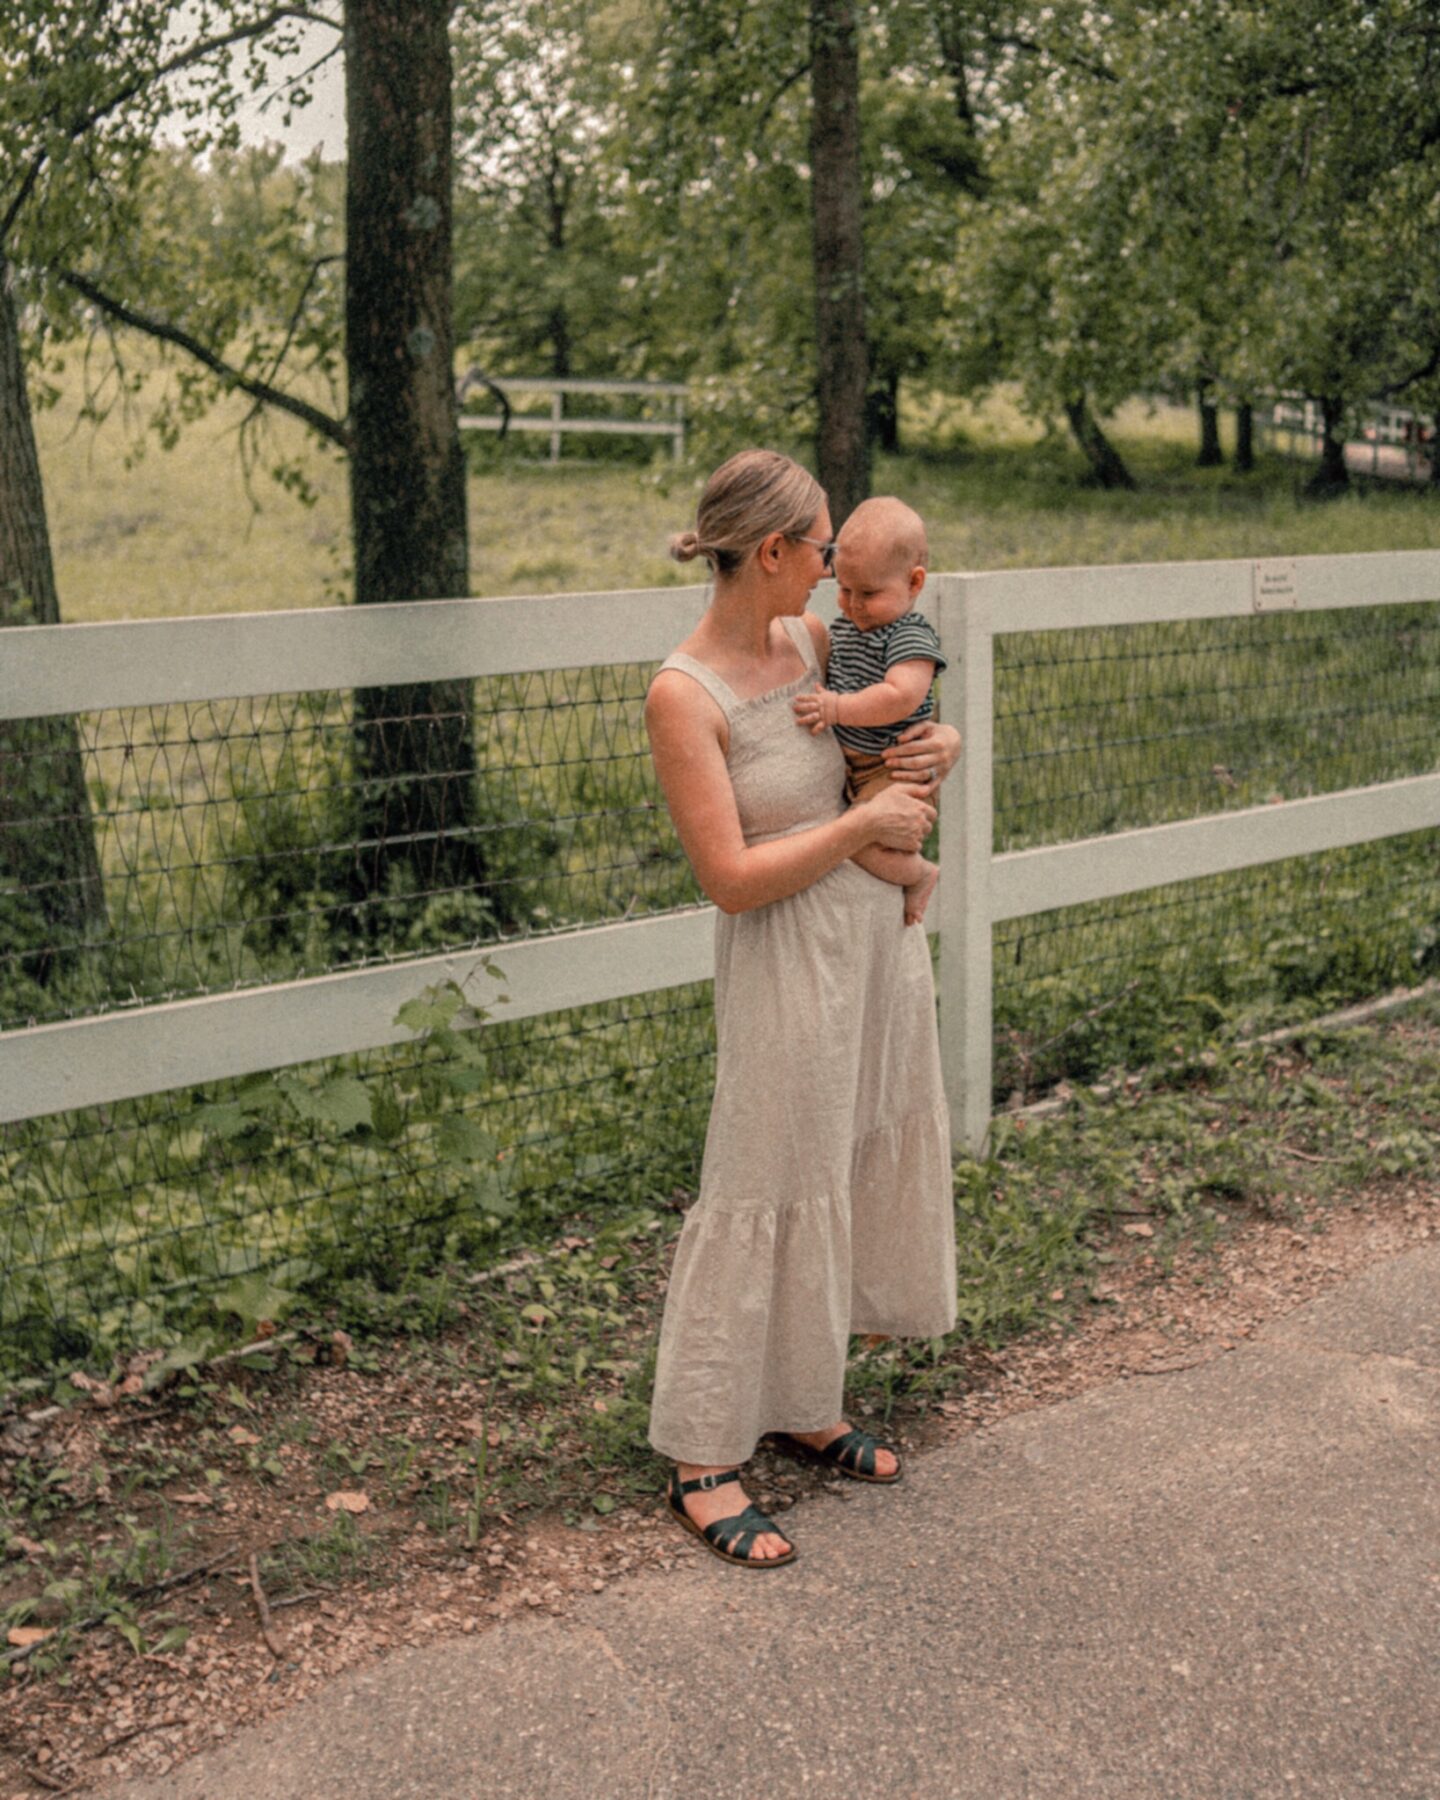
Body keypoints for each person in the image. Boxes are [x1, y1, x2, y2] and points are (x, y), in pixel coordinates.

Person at [645, 449, 960, 1568]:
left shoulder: (816, 643)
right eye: (822, 547)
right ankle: (702, 1453)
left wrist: (945, 747)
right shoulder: (687, 694)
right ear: (772, 551)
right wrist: (857, 835)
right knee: (759, 1175)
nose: (835, 569)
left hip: (873, 954)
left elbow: (892, 735)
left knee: (830, 1167)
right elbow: (729, 876)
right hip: (784, 962)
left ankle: (804, 1398)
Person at [793, 496, 944, 926]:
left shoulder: (909, 636)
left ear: (914, 583)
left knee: (861, 839)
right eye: (843, 589)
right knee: (848, 831)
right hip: (853, 764)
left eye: (869, 593)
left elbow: (900, 696)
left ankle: (919, 874)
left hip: (892, 768)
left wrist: (837, 708)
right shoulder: (846, 627)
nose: (853, 604)